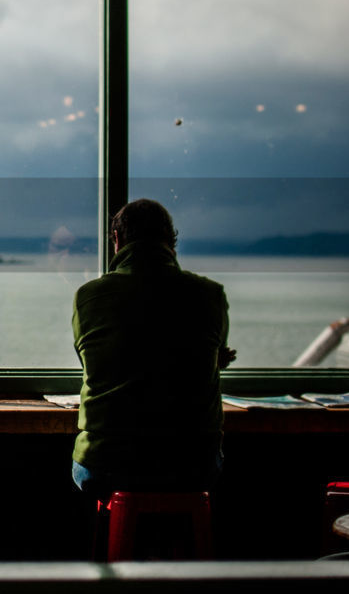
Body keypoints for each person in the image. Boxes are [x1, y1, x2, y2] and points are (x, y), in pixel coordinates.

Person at [71, 198, 236, 501]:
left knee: (92, 470)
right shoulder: (210, 295)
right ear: (172, 241)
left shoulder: (88, 297)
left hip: (106, 465)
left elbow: (91, 361)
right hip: (193, 466)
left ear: (117, 240)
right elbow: (213, 358)